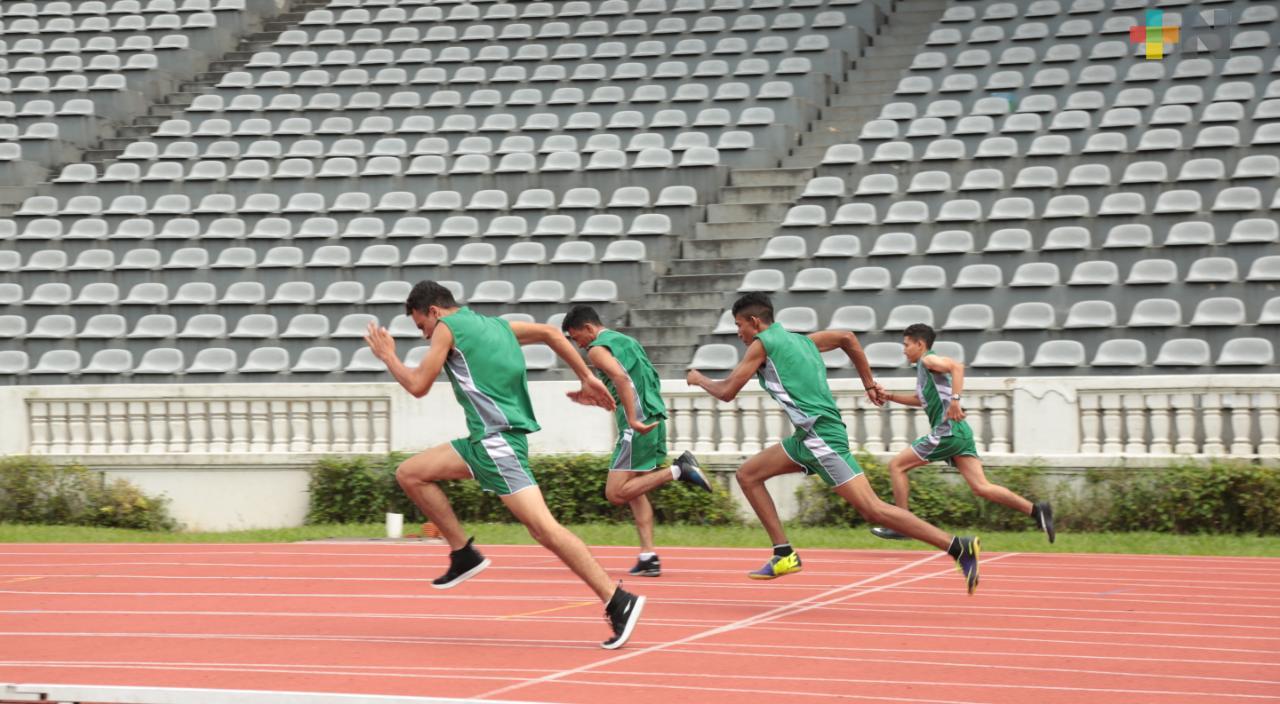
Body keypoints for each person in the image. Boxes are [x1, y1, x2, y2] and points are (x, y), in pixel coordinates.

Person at [363, 281, 644, 649]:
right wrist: (586, 376)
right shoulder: (496, 326)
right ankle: (463, 553)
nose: (425, 335)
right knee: (410, 473)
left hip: (497, 444)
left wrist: (388, 356)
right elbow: (549, 333)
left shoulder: (446, 328)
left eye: (422, 326)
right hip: (482, 442)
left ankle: (617, 599)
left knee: (544, 529)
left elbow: (418, 385)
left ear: (434, 311)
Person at [685, 292, 981, 594]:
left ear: (755, 321)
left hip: (821, 437)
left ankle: (957, 546)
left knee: (873, 509)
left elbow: (727, 392)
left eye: (739, 326)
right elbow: (847, 338)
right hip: (805, 438)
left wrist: (699, 379)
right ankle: (783, 553)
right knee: (748, 475)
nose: (738, 333)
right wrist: (868, 382)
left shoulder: (762, 344)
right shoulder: (801, 341)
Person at [561, 305, 714, 578]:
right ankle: (648, 557)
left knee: (615, 493)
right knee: (635, 490)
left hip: (638, 424)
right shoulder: (627, 341)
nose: (578, 345)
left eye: (576, 337)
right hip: (653, 416)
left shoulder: (597, 349)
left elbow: (621, 378)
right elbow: (640, 380)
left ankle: (679, 470)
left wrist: (632, 418)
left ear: (588, 328)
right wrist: (603, 400)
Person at [870, 324, 1055, 543]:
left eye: (906, 345)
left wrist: (955, 401)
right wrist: (890, 396)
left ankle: (903, 525)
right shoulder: (924, 368)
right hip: (959, 432)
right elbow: (921, 400)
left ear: (920, 344)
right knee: (981, 487)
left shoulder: (928, 360)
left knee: (896, 466)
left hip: (947, 432)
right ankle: (1037, 511)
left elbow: (957, 367)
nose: (904, 350)